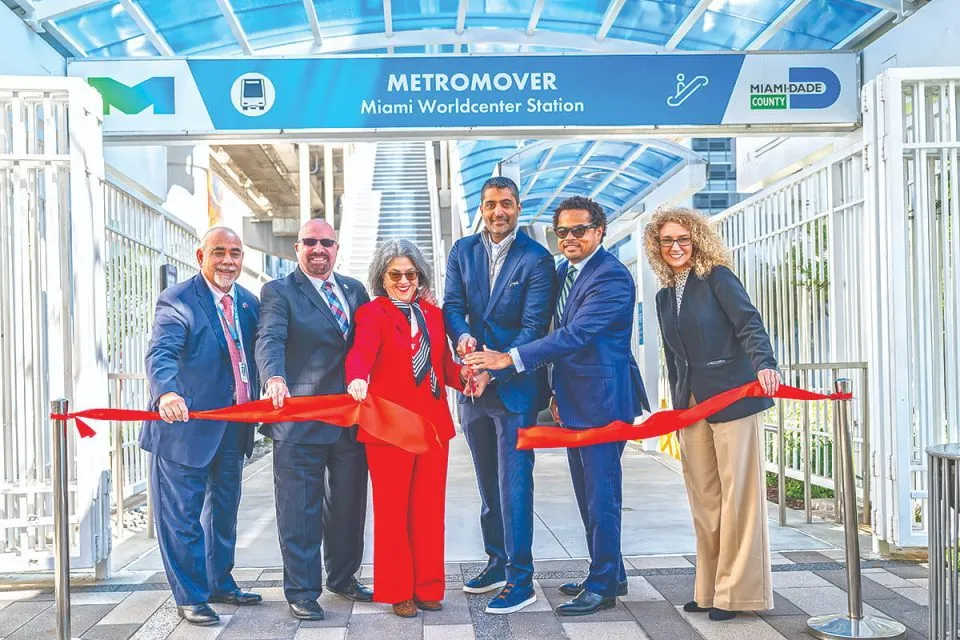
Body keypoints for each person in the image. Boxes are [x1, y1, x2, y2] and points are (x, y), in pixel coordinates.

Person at [465, 196, 650, 616]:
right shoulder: (565, 271)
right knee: (588, 494)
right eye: (561, 231)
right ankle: (610, 571)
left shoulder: (611, 278)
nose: (569, 238)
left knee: (602, 495)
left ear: (599, 231)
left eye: (578, 230)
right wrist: (551, 393)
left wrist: (507, 359)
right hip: (572, 401)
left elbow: (575, 336)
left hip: (603, 403)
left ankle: (604, 585)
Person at [644, 207, 779, 621]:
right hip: (691, 405)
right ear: (657, 246)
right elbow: (673, 356)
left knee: (740, 498)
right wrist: (677, 403)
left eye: (683, 238)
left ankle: (737, 594)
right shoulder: (664, 296)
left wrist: (765, 363)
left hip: (733, 398)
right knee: (704, 499)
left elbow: (748, 323)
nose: (676, 247)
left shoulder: (717, 276)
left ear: (697, 239)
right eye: (667, 240)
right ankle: (709, 588)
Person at [442, 176, 556, 614]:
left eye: (506, 204)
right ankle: (497, 560)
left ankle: (521, 579)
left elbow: (533, 327)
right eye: (491, 204)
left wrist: (497, 365)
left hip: (514, 392)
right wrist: (465, 339)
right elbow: (453, 306)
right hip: (472, 391)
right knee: (488, 485)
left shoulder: (537, 259)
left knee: (515, 486)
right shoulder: (462, 251)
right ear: (482, 208)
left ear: (518, 207)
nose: (498, 212)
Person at [141, 227, 262, 626]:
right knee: (183, 517)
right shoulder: (178, 300)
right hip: (185, 429)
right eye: (219, 252)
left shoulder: (247, 302)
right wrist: (167, 393)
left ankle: (219, 583)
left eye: (235, 253)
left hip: (233, 426)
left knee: (223, 512)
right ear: (200, 256)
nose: (228, 261)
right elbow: (162, 352)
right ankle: (191, 596)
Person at [255, 219, 372, 622]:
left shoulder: (355, 290)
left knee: (349, 506)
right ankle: (303, 591)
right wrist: (273, 376)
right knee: (299, 511)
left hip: (350, 421)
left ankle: (343, 577)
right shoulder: (279, 291)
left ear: (336, 248)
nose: (318, 249)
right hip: (299, 421)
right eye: (310, 242)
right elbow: (269, 337)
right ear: (297, 248)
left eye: (326, 242)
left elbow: (370, 339)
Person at [345, 240, 468, 618]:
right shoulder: (372, 313)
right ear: (382, 277)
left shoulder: (433, 314)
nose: (403, 280)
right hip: (390, 428)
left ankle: (428, 586)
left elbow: (443, 365)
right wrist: (357, 378)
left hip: (432, 426)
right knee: (392, 511)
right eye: (395, 274)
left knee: (429, 510)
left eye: (410, 274)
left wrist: (466, 378)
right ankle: (399, 589)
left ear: (420, 276)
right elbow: (361, 351)